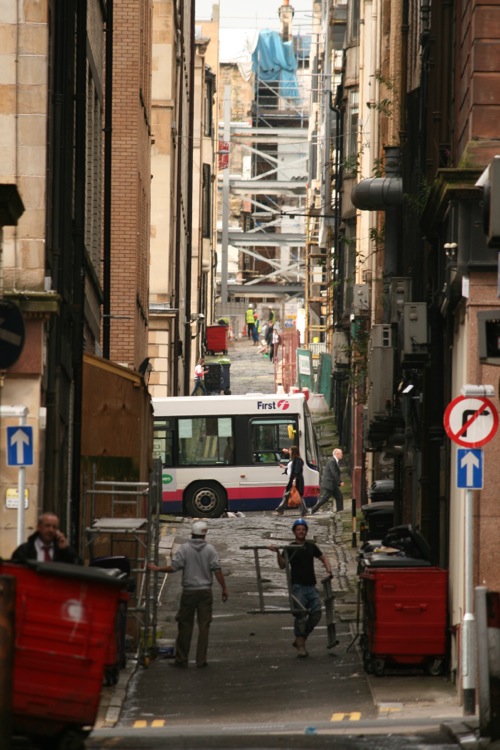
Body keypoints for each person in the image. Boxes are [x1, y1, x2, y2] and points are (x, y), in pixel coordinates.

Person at [147, 520, 228, 668]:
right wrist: (224, 588)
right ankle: (201, 659)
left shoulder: (184, 549)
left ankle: (182, 658)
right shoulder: (210, 549)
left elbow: (174, 567)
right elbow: (217, 570)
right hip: (205, 592)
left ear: (192, 533)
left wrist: (157, 568)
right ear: (204, 535)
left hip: (189, 592)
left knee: (185, 625)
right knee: (204, 626)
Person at [268, 518, 332, 657]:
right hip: (298, 587)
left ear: (306, 531)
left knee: (316, 614)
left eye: (303, 529)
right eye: (298, 529)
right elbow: (282, 565)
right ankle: (301, 647)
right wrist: (278, 553)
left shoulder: (311, 546)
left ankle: (300, 639)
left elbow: (323, 557)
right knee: (301, 617)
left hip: (311, 586)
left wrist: (328, 570)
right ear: (294, 532)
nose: (301, 531)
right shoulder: (291, 548)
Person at [11, 512, 81, 564]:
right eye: (47, 526)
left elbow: (78, 566)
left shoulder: (61, 550)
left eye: (54, 527)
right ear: (38, 527)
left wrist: (65, 550)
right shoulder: (25, 550)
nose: (51, 530)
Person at [274, 445, 308, 516]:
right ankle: (303, 511)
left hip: (296, 480)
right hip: (292, 480)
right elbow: (291, 468)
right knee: (292, 495)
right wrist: (284, 467)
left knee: (292, 495)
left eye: (290, 450)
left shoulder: (298, 460)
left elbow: (297, 471)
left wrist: (294, 480)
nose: (289, 451)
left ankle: (280, 510)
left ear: (293, 452)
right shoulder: (292, 459)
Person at [311, 448, 344, 514]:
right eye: (341, 453)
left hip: (332, 484)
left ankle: (340, 511)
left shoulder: (335, 461)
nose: (342, 455)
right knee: (325, 498)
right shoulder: (332, 461)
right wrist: (339, 482)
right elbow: (334, 472)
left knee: (339, 496)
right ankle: (313, 509)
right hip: (329, 483)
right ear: (337, 454)